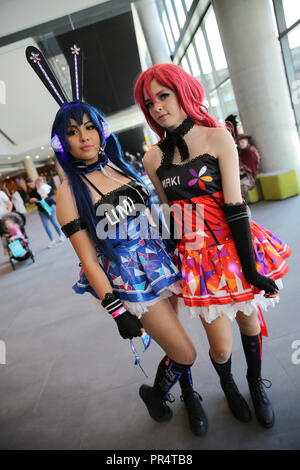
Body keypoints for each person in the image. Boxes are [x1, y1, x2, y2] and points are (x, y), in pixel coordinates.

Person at [25, 44, 208, 436]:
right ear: (62, 143)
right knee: (185, 351)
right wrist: (116, 311)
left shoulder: (120, 167)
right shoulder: (67, 195)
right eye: (72, 132)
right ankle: (157, 394)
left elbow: (151, 216)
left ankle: (189, 395)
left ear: (101, 129)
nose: (84, 137)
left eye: (89, 126)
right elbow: (89, 261)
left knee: (176, 341)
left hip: (159, 262)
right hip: (127, 279)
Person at [134, 63, 291, 428]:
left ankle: (255, 383)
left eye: (163, 95)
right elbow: (171, 216)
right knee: (220, 346)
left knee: (250, 326)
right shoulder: (153, 158)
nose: (157, 107)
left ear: (182, 91)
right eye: (149, 102)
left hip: (234, 249)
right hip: (197, 260)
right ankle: (229, 385)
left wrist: (251, 268)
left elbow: (236, 206)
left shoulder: (218, 136)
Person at [26, 177, 64, 248]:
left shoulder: (43, 186)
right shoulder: (32, 192)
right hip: (41, 210)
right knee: (46, 225)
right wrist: (32, 200)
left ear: (33, 182)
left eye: (31, 184)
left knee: (54, 221)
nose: (30, 186)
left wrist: (44, 196)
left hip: (49, 206)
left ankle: (61, 235)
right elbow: (32, 201)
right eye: (28, 186)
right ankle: (52, 240)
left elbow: (51, 192)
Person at [236, 134, 260, 199]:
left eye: (242, 142)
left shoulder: (251, 151)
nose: (240, 144)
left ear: (247, 141)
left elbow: (251, 167)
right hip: (243, 173)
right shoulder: (242, 151)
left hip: (249, 175)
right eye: (239, 143)